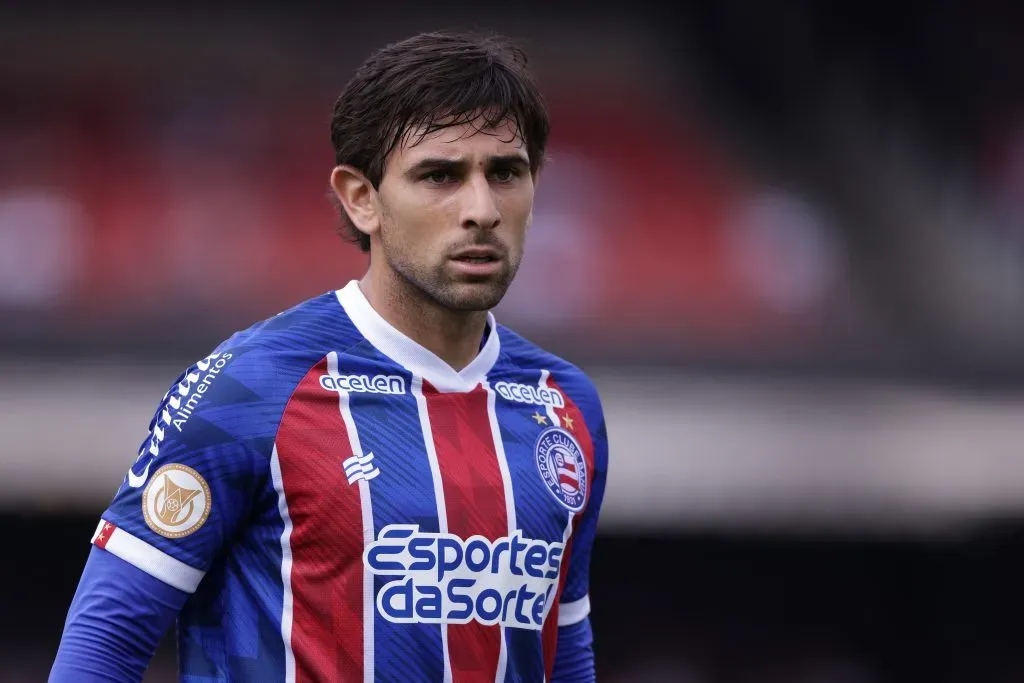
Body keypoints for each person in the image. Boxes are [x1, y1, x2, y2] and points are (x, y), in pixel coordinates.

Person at [50, 30, 608, 682]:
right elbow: (103, 643)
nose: (481, 209)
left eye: (505, 173)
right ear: (360, 197)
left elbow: (564, 653)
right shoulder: (252, 388)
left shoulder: (564, 405)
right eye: (440, 175)